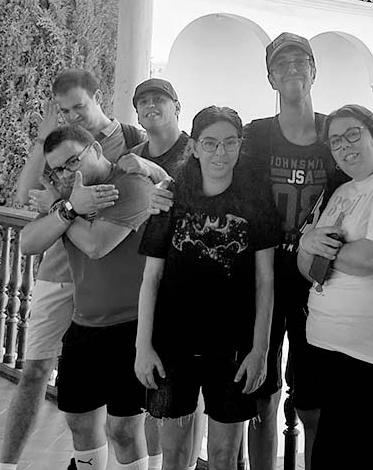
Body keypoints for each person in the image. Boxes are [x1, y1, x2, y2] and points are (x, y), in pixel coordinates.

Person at [0, 69, 144, 470]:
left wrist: (63, 209)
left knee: (122, 417)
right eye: (64, 110)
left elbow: (150, 185)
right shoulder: (58, 153)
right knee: (36, 373)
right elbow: (26, 196)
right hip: (60, 272)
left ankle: (99, 458)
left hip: (112, 285)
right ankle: (8, 464)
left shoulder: (130, 140)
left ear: (98, 97)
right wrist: (42, 141)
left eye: (78, 106)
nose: (72, 115)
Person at [135, 106, 281, 470]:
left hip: (233, 346)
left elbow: (265, 280)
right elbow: (151, 278)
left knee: (223, 456)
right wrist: (142, 347)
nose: (220, 152)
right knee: (174, 454)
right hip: (173, 343)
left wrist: (260, 351)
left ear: (240, 145)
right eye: (210, 143)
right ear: (195, 147)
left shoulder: (256, 200)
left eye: (230, 142)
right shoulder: (170, 198)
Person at [20, 124, 157, 470]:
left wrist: (60, 209)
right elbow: (29, 242)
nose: (67, 174)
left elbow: (97, 245)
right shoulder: (70, 196)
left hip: (132, 326)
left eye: (73, 161)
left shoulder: (132, 186)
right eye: (58, 170)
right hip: (83, 324)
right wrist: (69, 207)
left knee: (123, 429)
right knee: (79, 422)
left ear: (95, 149)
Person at [241, 32, 347, 470]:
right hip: (263, 280)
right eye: (281, 65)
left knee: (313, 401)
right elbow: (215, 172)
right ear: (270, 78)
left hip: (317, 284)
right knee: (261, 396)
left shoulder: (334, 134)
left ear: (314, 71)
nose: (292, 70)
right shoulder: (256, 135)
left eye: (300, 62)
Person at [297, 104, 373, 470]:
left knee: (347, 459)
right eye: (335, 141)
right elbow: (305, 266)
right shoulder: (342, 191)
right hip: (330, 349)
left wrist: (316, 247)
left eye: (353, 135)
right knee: (333, 457)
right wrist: (311, 248)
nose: (344, 146)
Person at [118, 77, 201, 470]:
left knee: (183, 404)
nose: (151, 106)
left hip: (184, 287)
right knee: (151, 394)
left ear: (176, 106)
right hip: (140, 283)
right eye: (144, 101)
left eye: (160, 99)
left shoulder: (194, 151)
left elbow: (195, 199)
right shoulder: (130, 156)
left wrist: (150, 170)